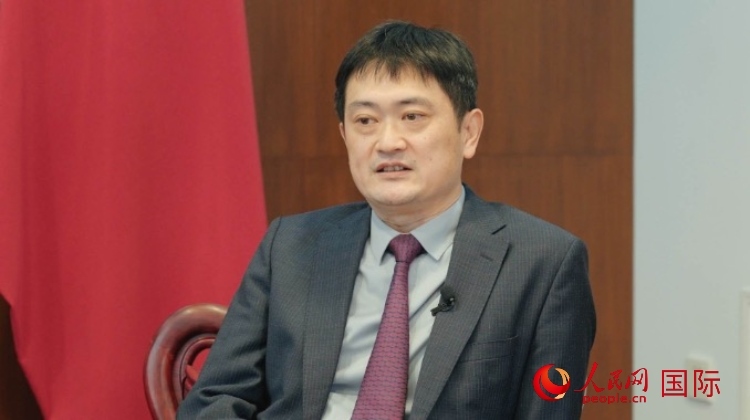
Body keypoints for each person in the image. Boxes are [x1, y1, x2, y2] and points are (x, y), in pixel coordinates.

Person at [178, 20, 595, 419]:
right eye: (365, 121)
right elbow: (217, 397)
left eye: (412, 116)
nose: (388, 142)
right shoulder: (290, 246)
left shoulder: (542, 263)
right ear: (345, 136)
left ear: (468, 132)